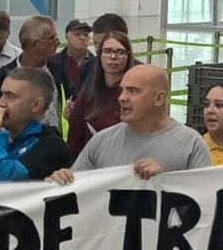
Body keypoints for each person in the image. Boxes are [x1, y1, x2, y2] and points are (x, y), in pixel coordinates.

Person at [49, 66, 212, 179]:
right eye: (122, 90)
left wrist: (165, 181)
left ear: (159, 98)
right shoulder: (101, 141)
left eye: (132, 91)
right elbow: (76, 189)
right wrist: (61, 180)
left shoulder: (191, 143)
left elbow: (205, 199)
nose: (122, 98)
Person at [0, 15, 63, 127]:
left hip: (52, 137)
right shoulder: (3, 75)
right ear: (35, 43)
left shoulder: (57, 69)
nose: (58, 42)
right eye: (52, 38)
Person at [67, 29, 134, 160]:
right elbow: (74, 141)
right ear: (100, 54)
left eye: (120, 52)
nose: (113, 57)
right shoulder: (88, 93)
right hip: (90, 165)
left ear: (128, 56)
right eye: (107, 51)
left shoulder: (135, 95)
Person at [45, 19, 93, 105]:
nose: (82, 38)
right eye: (77, 34)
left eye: (86, 35)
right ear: (67, 37)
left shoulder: (97, 64)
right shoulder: (51, 63)